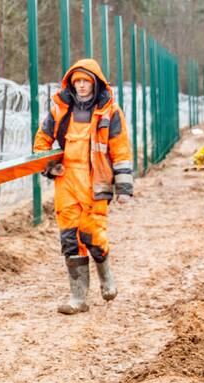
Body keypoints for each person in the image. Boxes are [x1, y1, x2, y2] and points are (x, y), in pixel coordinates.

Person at [33, 58, 132, 315]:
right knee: (69, 237)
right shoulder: (60, 110)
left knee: (92, 235)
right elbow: (41, 142)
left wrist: (123, 187)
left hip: (95, 181)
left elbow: (120, 150)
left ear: (95, 84)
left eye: (85, 81)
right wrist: (50, 167)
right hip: (66, 181)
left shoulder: (110, 112)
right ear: (71, 83)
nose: (81, 86)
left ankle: (106, 277)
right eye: (77, 81)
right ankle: (78, 298)